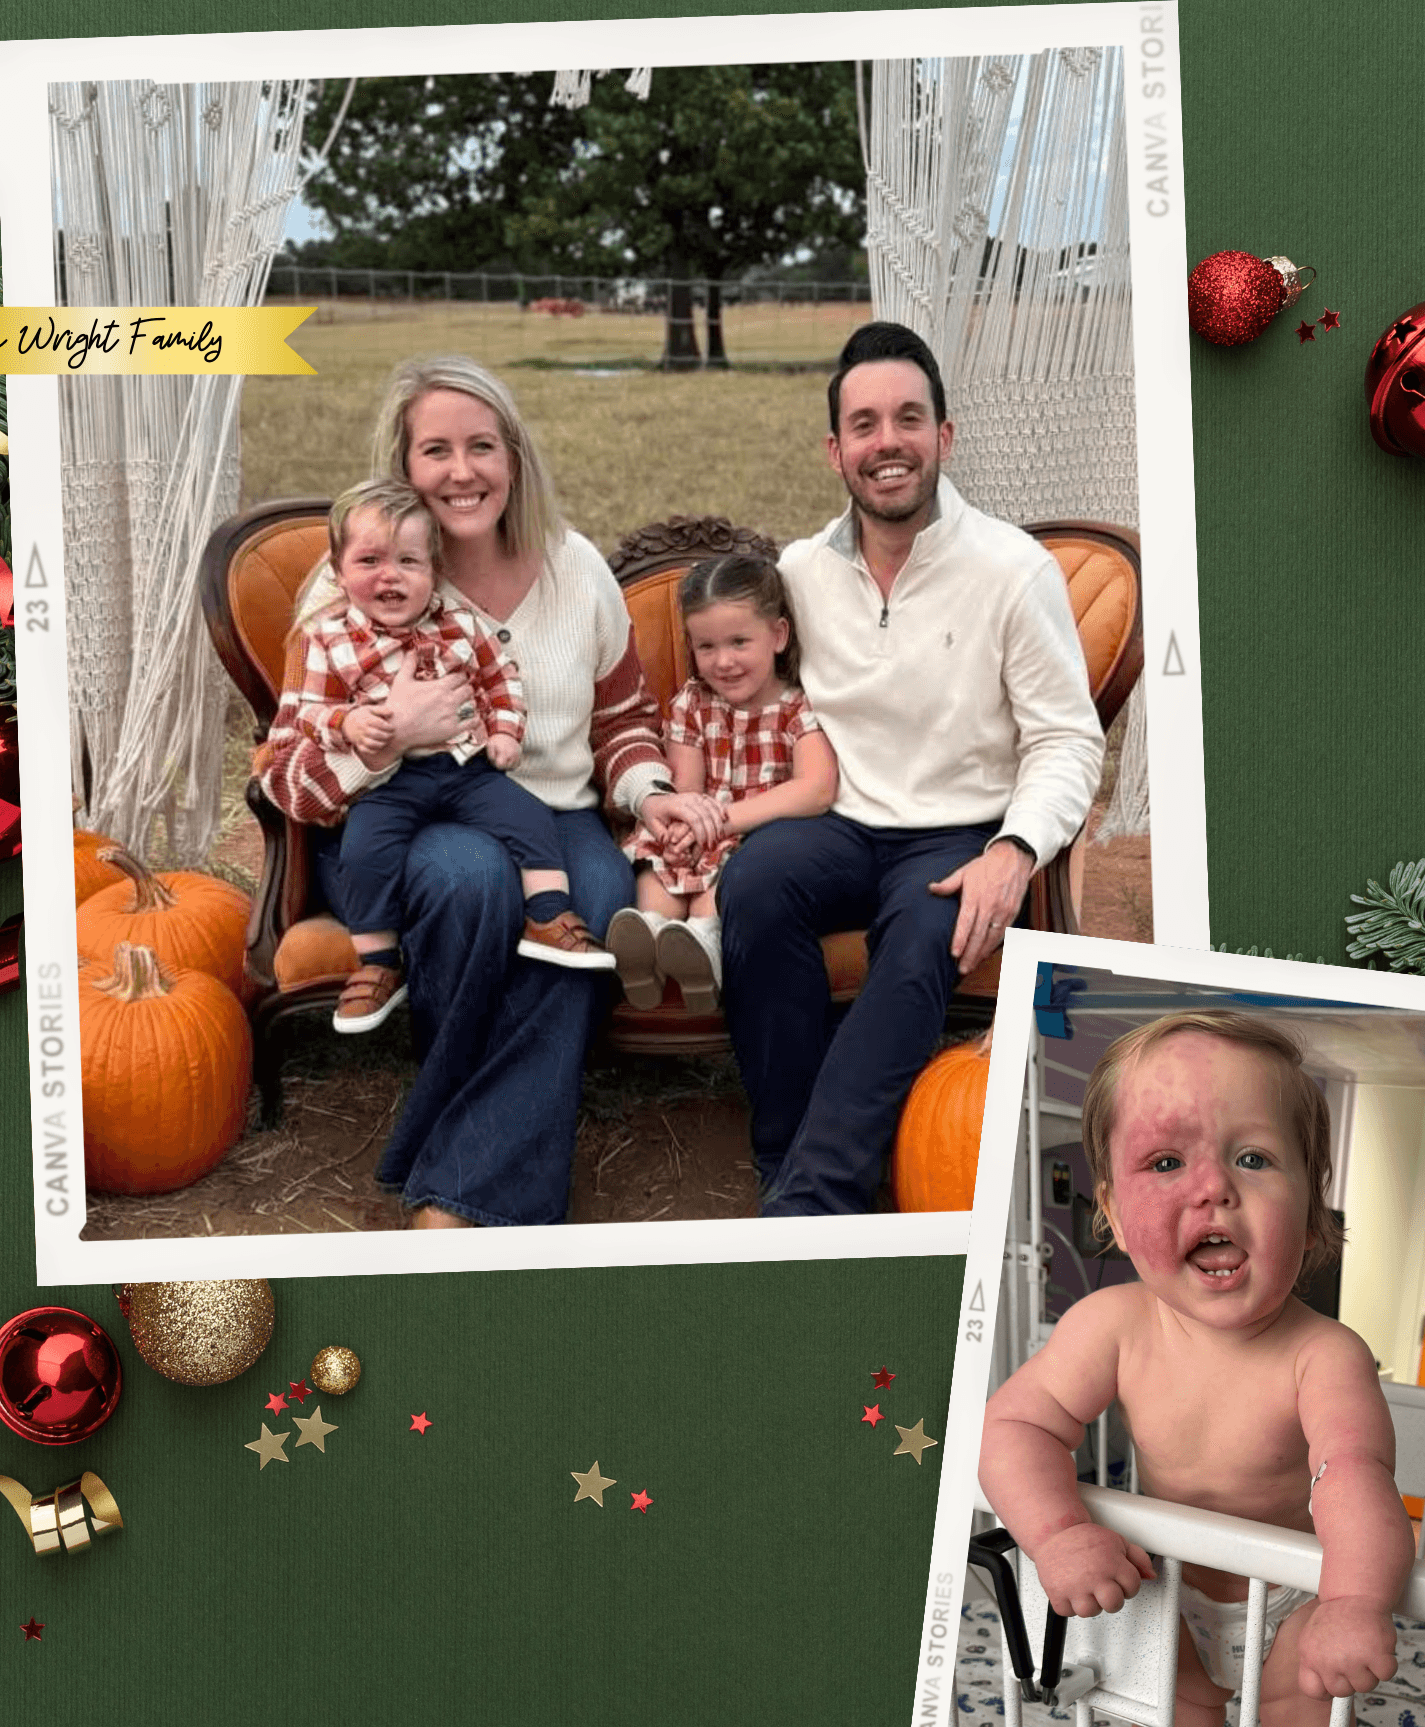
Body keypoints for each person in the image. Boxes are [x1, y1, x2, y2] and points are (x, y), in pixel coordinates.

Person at [260, 356, 719, 1228]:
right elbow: (287, 776)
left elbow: (620, 718)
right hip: (410, 811)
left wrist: (650, 788)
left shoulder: (575, 568)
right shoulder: (351, 585)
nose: (461, 471)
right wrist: (388, 734)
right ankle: (472, 1185)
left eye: (482, 446)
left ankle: (454, 1173)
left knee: (594, 897)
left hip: (553, 807)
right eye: (435, 450)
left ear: (514, 456)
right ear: (404, 465)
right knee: (467, 881)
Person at [718, 320, 1106, 1215]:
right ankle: (785, 1150)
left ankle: (813, 1198)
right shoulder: (800, 572)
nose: (885, 442)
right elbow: (752, 693)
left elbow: (1067, 738)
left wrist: (1014, 850)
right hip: (836, 823)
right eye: (863, 424)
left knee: (929, 933)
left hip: (955, 831)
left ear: (944, 436)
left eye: (907, 418)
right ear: (834, 450)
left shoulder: (1012, 571)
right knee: (758, 885)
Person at [979, 1012, 1413, 1727]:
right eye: (1166, 1163)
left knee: (1307, 1724)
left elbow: (1354, 1474)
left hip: (1293, 1596)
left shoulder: (1324, 1353)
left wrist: (1353, 1600)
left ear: (1311, 1214)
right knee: (1170, 1723)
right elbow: (1014, 1426)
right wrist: (1057, 1533)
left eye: (1253, 1157)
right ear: (1111, 1211)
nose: (1213, 1187)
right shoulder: (1109, 1323)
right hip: (1165, 1593)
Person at [268, 478, 615, 1037]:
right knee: (365, 850)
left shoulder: (457, 625)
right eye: (370, 561)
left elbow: (502, 678)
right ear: (337, 568)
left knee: (526, 817)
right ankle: (378, 964)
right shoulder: (327, 637)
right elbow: (309, 711)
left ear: (434, 571)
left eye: (409, 561)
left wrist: (504, 730)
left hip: (464, 770)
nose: (390, 576)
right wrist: (352, 724)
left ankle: (548, 915)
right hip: (389, 783)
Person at [605, 553, 837, 1013]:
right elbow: (686, 785)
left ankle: (702, 947)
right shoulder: (693, 702)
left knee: (728, 873)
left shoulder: (797, 706)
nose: (723, 661)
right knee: (658, 863)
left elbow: (816, 788)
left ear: (778, 635)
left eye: (738, 642)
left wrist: (723, 822)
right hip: (703, 825)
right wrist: (682, 828)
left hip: (760, 835)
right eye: (706, 647)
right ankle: (646, 939)